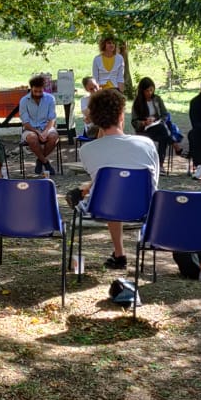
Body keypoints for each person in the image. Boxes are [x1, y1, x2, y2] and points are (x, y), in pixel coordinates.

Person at [78, 88, 160, 270]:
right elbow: (154, 180)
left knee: (111, 192)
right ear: (121, 115)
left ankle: (119, 252)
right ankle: (120, 253)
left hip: (105, 207)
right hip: (144, 205)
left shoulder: (86, 151)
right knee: (119, 190)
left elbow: (102, 172)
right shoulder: (146, 144)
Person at [130, 76, 183, 164]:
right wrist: (144, 122)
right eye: (147, 91)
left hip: (159, 126)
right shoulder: (137, 103)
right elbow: (134, 122)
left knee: (163, 135)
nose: (149, 93)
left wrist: (158, 120)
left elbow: (165, 114)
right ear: (142, 91)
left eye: (151, 90)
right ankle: (175, 145)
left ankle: (160, 163)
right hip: (146, 129)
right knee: (163, 130)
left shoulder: (157, 99)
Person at [18, 75, 59, 176]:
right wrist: (37, 132)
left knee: (53, 137)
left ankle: (40, 160)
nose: (37, 94)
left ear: (43, 89)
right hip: (30, 129)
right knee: (32, 138)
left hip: (46, 127)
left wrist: (45, 131)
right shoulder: (24, 101)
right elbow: (26, 123)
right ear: (31, 88)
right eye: (35, 91)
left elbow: (52, 119)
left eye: (40, 91)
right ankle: (45, 162)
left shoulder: (50, 99)